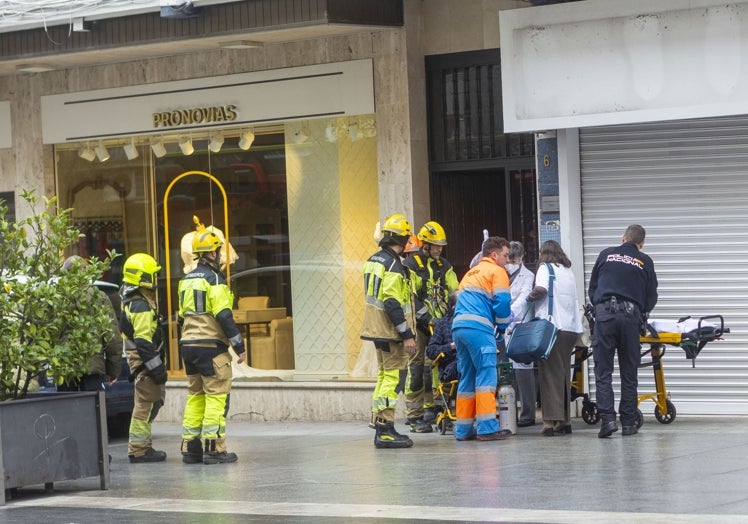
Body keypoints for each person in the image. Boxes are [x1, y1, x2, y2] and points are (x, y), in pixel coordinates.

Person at [178, 228, 247, 464]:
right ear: (213, 254)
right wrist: (239, 345)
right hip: (211, 347)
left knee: (195, 396)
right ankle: (214, 450)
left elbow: (180, 316)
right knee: (217, 396)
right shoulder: (215, 279)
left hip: (188, 346)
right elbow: (224, 315)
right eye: (218, 251)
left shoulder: (185, 280)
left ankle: (191, 448)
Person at [588, 225, 658, 438]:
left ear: (623, 238)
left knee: (603, 372)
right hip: (630, 319)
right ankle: (628, 423)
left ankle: (608, 421)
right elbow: (651, 296)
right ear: (641, 243)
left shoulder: (605, 254)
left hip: (605, 317)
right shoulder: (645, 260)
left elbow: (593, 289)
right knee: (629, 373)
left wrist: (602, 310)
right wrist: (640, 312)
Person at [361, 213, 417, 449]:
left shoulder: (374, 259)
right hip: (390, 331)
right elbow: (393, 303)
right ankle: (385, 430)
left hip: (376, 329)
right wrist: (407, 335)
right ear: (402, 239)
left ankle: (380, 423)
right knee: (394, 378)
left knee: (384, 376)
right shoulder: (394, 265)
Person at [451, 236, 513, 441]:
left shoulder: (470, 273)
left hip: (459, 328)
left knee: (467, 377)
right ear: (494, 255)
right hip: (479, 329)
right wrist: (502, 327)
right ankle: (487, 428)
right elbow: (503, 301)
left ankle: (463, 429)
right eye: (505, 255)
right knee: (486, 377)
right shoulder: (497, 271)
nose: (508, 259)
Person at [403, 221, 459, 433]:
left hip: (441, 324)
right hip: (419, 325)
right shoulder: (412, 265)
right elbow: (409, 297)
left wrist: (451, 316)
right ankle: (414, 415)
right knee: (417, 368)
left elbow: (454, 291)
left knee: (437, 366)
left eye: (441, 246)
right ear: (424, 244)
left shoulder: (445, 266)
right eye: (435, 245)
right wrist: (427, 318)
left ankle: (435, 406)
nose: (439, 249)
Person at [526, 241, 583, 436]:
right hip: (570, 329)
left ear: (544, 253)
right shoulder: (568, 271)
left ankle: (549, 422)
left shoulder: (545, 268)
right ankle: (564, 421)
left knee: (549, 375)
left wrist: (527, 298)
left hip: (552, 328)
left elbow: (540, 289)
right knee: (563, 375)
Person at [119, 253, 168, 463]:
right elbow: (144, 343)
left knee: (148, 403)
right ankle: (139, 449)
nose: (154, 279)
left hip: (141, 363)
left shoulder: (133, 300)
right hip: (144, 365)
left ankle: (142, 446)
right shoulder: (139, 305)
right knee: (146, 404)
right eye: (151, 275)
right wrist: (157, 369)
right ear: (142, 277)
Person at [57, 255, 122, 394]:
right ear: (86, 271)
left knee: (64, 411)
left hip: (65, 369)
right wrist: (113, 370)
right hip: (92, 369)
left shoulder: (57, 299)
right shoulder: (99, 297)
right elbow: (112, 337)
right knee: (93, 411)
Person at [505, 241, 537, 428]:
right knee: (505, 372)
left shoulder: (529, 275)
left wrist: (508, 314)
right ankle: (508, 414)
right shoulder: (500, 271)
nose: (511, 262)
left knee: (523, 370)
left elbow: (524, 298)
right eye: (509, 258)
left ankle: (528, 414)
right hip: (500, 327)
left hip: (519, 325)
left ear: (522, 257)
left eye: (515, 259)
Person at [426, 294, 458, 384]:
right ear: (454, 307)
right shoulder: (443, 324)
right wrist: (451, 346)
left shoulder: (472, 322)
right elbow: (430, 351)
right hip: (452, 365)